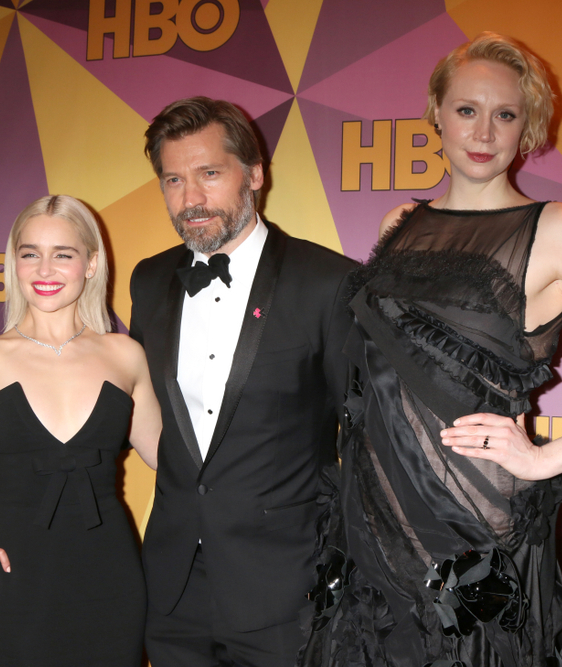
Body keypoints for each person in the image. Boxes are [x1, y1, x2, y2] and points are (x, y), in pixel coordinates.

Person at [300, 33, 562, 667]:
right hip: (371, 521)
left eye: (506, 114)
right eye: (467, 109)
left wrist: (547, 459)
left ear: (527, 128)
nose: (484, 130)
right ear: (435, 111)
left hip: (468, 527)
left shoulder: (560, 230)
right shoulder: (399, 224)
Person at [128, 97, 356, 666]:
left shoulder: (329, 282)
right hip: (174, 585)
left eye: (210, 174)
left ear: (254, 173)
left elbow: (367, 433)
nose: (191, 199)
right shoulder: (150, 280)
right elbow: (136, 407)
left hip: (287, 587)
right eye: (173, 180)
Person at [0, 195, 161, 666]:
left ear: (91, 264)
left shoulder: (124, 355)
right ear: (15, 262)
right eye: (30, 253)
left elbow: (162, 452)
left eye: (63, 254)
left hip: (109, 572)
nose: (44, 269)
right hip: (15, 573)